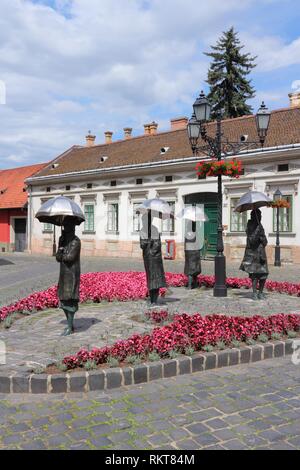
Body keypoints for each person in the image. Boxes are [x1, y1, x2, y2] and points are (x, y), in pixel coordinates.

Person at [56, 218, 81, 335]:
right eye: (64, 226)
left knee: (70, 300)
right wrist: (60, 246)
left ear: (72, 228)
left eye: (67, 226)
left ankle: (70, 327)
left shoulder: (76, 241)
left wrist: (62, 254)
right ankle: (70, 325)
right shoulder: (63, 241)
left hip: (71, 275)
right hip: (63, 274)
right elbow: (57, 257)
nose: (65, 229)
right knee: (64, 300)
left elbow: (70, 258)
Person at [240, 208, 269, 300]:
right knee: (255, 274)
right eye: (258, 215)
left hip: (261, 253)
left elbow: (265, 242)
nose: (260, 217)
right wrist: (258, 232)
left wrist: (262, 237)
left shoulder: (260, 226)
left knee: (264, 274)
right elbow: (252, 241)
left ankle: (260, 292)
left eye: (260, 215)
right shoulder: (250, 226)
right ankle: (254, 293)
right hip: (253, 254)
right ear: (253, 216)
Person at [140, 211, 167, 306]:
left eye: (146, 220)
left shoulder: (155, 229)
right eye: (143, 220)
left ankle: (154, 299)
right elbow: (142, 245)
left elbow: (157, 244)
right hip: (147, 258)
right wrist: (146, 243)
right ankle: (152, 299)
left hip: (155, 258)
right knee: (150, 278)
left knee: (157, 278)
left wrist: (150, 242)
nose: (144, 222)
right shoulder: (143, 230)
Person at [184, 220, 201, 289]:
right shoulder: (196, 234)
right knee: (194, 270)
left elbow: (185, 244)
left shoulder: (187, 234)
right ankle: (194, 284)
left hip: (189, 253)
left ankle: (190, 285)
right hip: (195, 252)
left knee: (190, 269)